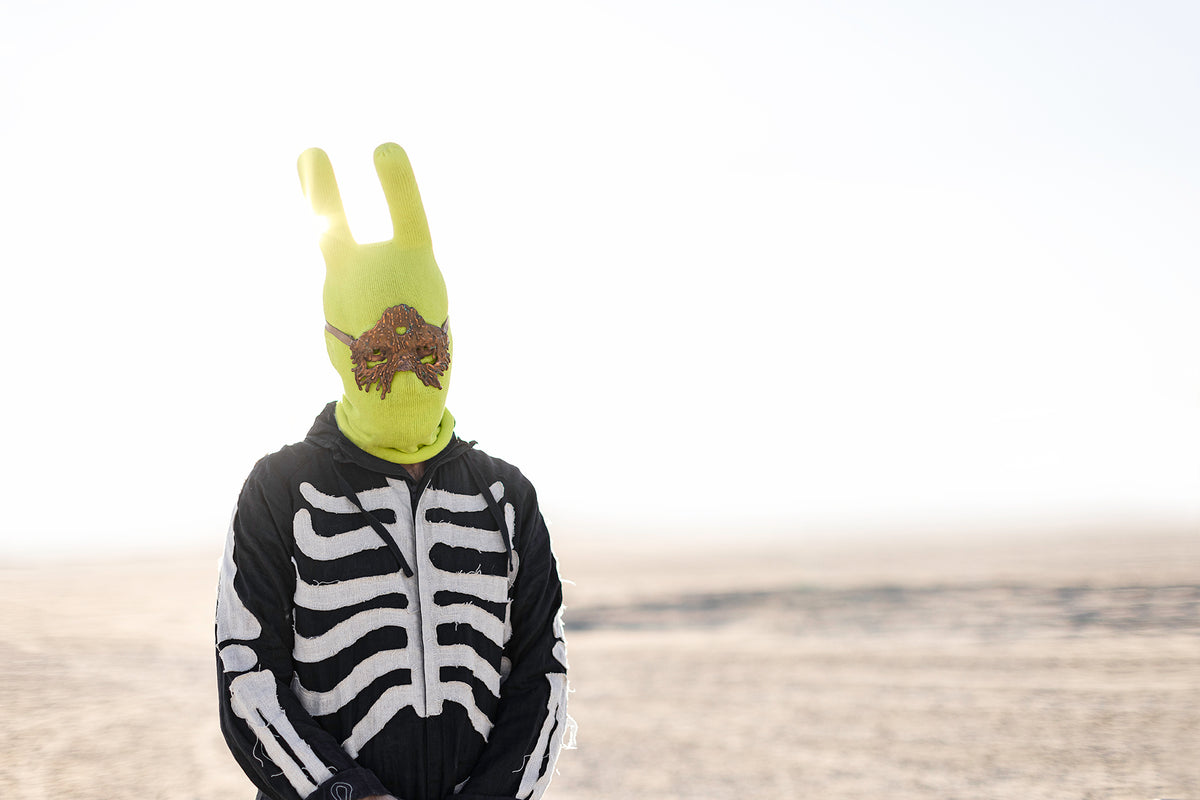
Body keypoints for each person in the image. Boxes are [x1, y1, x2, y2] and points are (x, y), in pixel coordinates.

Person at [215, 143, 573, 800]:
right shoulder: (279, 491)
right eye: (380, 352)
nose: (408, 374)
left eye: (427, 349)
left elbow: (542, 678)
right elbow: (246, 676)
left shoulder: (506, 497)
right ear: (338, 346)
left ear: (450, 338)